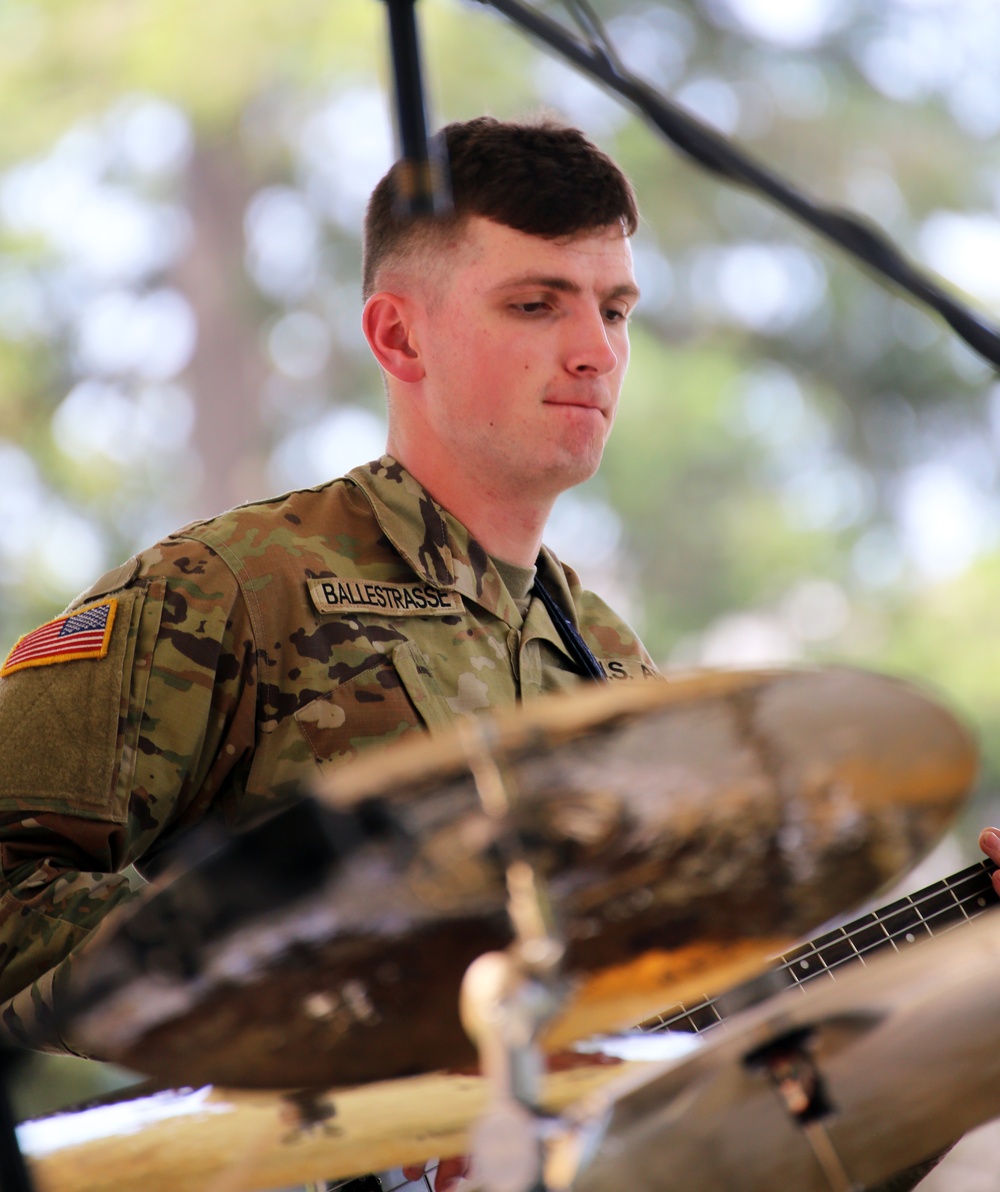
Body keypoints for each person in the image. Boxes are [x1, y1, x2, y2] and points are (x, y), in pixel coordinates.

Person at [0, 116, 656, 1190]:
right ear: (400, 338)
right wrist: (347, 1021)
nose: (594, 349)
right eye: (535, 304)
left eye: (615, 308)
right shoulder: (241, 585)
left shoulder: (611, 663)